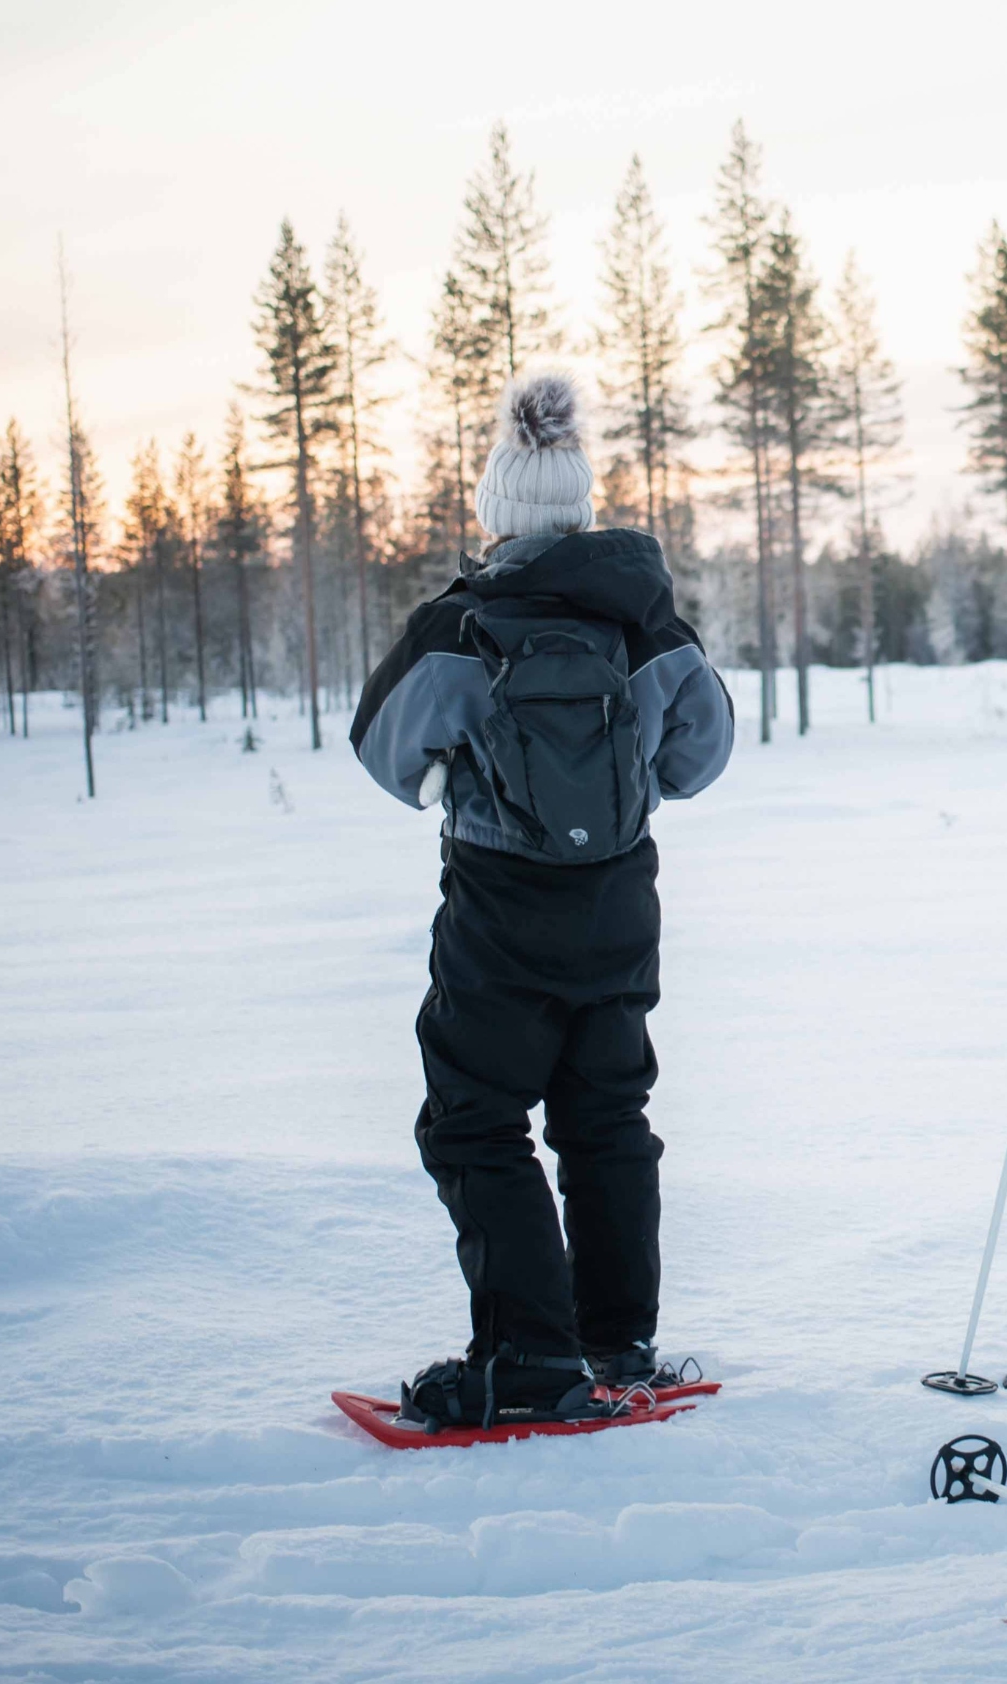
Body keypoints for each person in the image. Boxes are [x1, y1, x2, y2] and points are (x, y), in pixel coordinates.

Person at [351, 372, 734, 1430]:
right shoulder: (643, 615)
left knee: (475, 1122)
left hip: (495, 910)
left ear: (497, 511)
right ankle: (618, 1340)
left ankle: (527, 1357)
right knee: (608, 1115)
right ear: (577, 503)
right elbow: (704, 758)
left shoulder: (460, 624)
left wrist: (454, 770)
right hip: (619, 908)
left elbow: (382, 751)